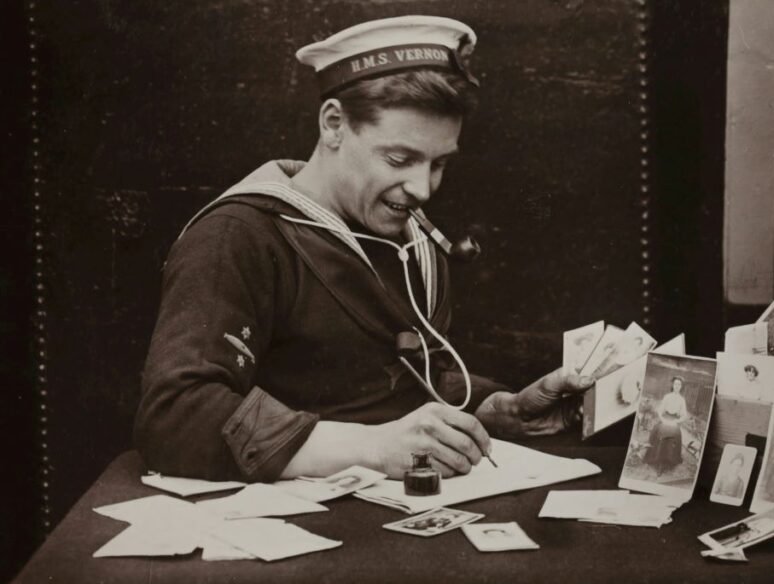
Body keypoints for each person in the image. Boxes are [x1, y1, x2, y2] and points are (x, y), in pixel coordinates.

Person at [134, 16, 592, 483]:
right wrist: (372, 447)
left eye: (439, 164)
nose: (422, 189)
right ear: (333, 124)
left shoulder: (409, 237)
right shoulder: (238, 236)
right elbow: (175, 418)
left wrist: (494, 412)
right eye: (399, 159)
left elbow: (396, 382)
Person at [643, 377, 687, 474]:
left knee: (674, 434)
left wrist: (676, 421)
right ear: (673, 385)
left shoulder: (681, 400)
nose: (677, 386)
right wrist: (663, 419)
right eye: (675, 384)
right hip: (665, 418)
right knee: (660, 431)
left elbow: (684, 415)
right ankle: (657, 460)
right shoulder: (667, 396)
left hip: (674, 420)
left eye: (679, 384)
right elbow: (660, 410)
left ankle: (667, 461)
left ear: (681, 387)